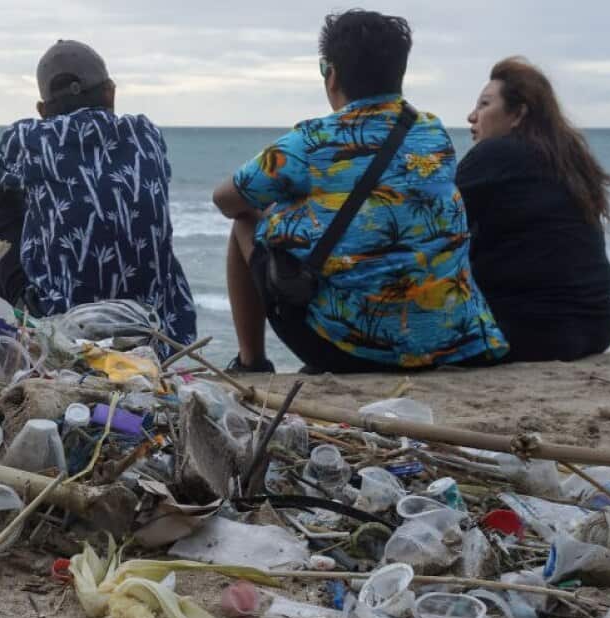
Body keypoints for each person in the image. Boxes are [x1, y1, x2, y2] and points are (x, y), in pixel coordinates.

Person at [212, 10, 507, 373]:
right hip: (449, 343)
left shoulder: (310, 141)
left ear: (332, 75)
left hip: (349, 349)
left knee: (245, 220)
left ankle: (251, 362)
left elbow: (226, 199)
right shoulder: (433, 133)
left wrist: (284, 205)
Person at [0, 40, 197, 347]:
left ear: (41, 110)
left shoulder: (30, 140)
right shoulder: (146, 133)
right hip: (159, 330)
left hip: (63, 330)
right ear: (111, 92)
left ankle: (11, 329)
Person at [457, 57, 610, 363]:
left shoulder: (495, 154)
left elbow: (432, 220)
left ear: (518, 113)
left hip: (529, 329)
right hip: (597, 326)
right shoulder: (570, 161)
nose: (471, 116)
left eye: (484, 104)